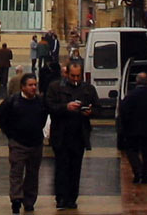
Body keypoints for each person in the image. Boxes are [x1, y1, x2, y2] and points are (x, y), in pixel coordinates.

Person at [45, 62, 99, 210]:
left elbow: (98, 108)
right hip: (61, 134)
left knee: (75, 169)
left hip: (79, 135)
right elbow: (49, 106)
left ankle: (72, 198)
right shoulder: (55, 87)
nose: (75, 79)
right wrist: (65, 107)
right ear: (66, 74)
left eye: (78, 76)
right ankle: (61, 197)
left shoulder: (88, 89)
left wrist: (90, 112)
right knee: (61, 168)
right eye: (73, 76)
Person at [0, 73, 48, 214]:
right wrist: (9, 133)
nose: (33, 88)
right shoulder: (13, 101)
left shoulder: (40, 102)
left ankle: (29, 201)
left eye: (35, 85)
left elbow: (43, 117)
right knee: (16, 172)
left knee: (32, 174)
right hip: (18, 143)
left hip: (35, 143)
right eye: (30, 85)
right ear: (22, 87)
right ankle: (16, 199)